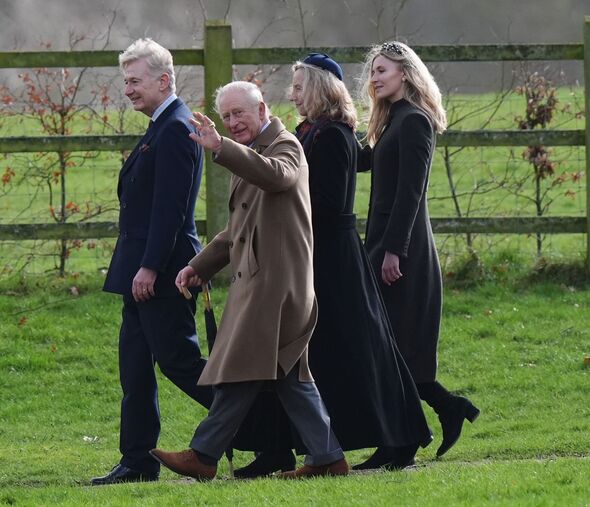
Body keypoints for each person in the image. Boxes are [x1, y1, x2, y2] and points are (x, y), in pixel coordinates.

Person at [231, 53, 433, 479]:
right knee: (305, 352)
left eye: (299, 87)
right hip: (310, 252)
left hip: (333, 259)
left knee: (356, 349)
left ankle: (398, 435)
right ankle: (284, 447)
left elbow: (329, 203)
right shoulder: (308, 133)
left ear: (320, 89)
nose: (293, 95)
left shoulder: (334, 135)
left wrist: (281, 211)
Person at [149, 81, 349, 481]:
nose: (232, 122)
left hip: (276, 288)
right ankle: (328, 457)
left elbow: (278, 177)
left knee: (239, 371)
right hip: (266, 286)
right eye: (226, 116)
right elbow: (238, 229)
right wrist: (199, 265)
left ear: (262, 110)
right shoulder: (254, 150)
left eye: (239, 113)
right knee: (288, 376)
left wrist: (222, 147)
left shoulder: (285, 146)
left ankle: (203, 455)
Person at [92, 38, 213, 486]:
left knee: (180, 362)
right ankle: (138, 461)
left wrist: (150, 266)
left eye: (134, 81)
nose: (127, 90)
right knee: (136, 368)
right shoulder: (160, 126)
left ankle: (266, 427)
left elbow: (171, 210)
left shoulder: (177, 128)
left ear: (164, 81)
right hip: (138, 270)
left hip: (162, 273)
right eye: (125, 82)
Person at [359, 41, 480, 463]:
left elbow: (412, 193)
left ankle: (405, 440)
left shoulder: (414, 122)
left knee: (398, 349)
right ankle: (438, 416)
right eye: (373, 71)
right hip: (383, 244)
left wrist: (395, 251)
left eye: (382, 70)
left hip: (403, 252)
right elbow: (361, 160)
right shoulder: (393, 120)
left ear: (405, 73)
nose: (374, 78)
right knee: (390, 349)